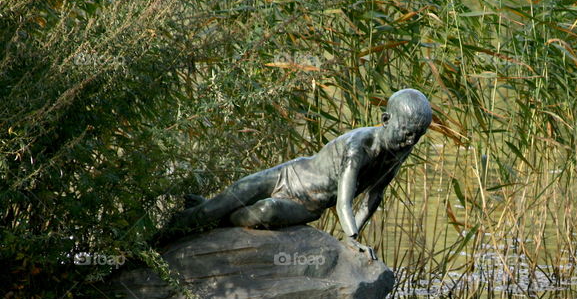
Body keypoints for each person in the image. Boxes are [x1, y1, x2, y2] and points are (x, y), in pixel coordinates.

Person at [161, 89, 432, 260]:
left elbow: (374, 196)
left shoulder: (398, 151)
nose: (410, 141)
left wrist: (353, 239)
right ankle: (152, 241)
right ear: (386, 120)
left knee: (265, 211)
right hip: (287, 176)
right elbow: (344, 200)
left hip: (306, 204)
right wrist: (350, 237)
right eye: (406, 131)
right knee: (216, 207)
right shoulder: (358, 145)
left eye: (417, 136)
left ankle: (214, 217)